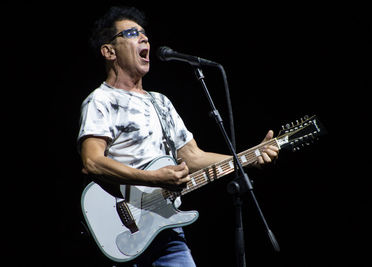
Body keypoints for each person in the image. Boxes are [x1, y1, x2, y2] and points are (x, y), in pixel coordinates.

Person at [78, 6, 279, 266]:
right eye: (131, 33)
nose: (144, 39)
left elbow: (193, 156)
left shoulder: (160, 102)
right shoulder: (101, 100)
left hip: (166, 228)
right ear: (109, 51)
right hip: (121, 227)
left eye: (145, 34)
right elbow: (92, 162)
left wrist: (248, 158)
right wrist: (153, 178)